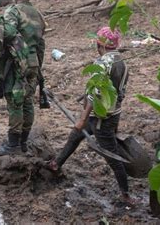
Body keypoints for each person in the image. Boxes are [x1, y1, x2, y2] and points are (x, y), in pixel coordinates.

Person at [47, 27, 133, 205]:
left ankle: (126, 194)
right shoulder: (122, 62)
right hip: (112, 113)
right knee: (75, 136)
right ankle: (56, 164)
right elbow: (121, 91)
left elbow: (94, 94)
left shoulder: (102, 63)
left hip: (100, 117)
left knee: (112, 156)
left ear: (99, 44)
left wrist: (82, 118)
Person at [0, 0, 46, 156]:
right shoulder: (38, 14)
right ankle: (23, 142)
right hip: (33, 62)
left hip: (17, 63)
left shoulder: (13, 11)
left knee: (15, 101)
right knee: (27, 101)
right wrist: (38, 66)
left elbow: (8, 35)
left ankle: (13, 145)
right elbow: (41, 43)